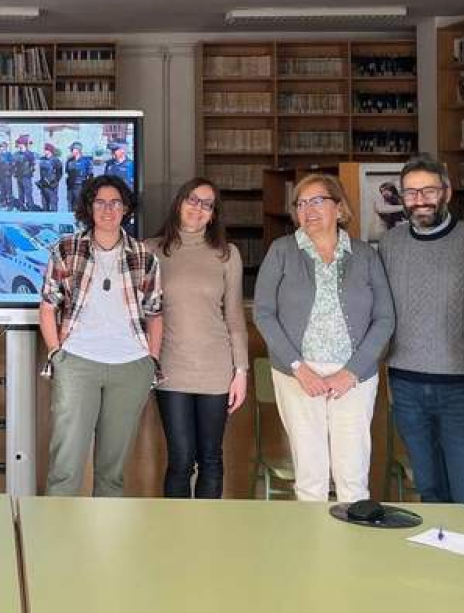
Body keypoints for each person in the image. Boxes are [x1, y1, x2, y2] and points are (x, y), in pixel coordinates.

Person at [253, 173, 394, 502]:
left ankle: (352, 551)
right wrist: (299, 368)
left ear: (339, 207)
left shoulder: (365, 255)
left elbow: (385, 318)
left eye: (317, 201)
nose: (308, 210)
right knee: (310, 478)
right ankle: (313, 551)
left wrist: (353, 371)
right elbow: (263, 313)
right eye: (301, 204)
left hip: (353, 378)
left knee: (353, 476)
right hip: (298, 376)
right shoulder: (282, 251)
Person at [39, 175, 162, 496]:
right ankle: (54, 539)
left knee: (112, 470)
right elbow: (48, 306)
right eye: (100, 202)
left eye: (115, 202)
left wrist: (152, 359)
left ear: (126, 208)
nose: (108, 209)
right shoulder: (66, 249)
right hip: (77, 363)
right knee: (65, 467)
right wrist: (56, 353)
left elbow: (155, 312)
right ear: (89, 208)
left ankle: (104, 542)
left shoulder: (144, 256)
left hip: (131, 367)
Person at [377, 155, 464, 514]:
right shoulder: (390, 244)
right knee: (429, 489)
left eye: (428, 190)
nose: (419, 199)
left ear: (447, 192)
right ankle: (440, 565)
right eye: (410, 192)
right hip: (405, 384)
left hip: (462, 384)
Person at [146, 178, 248, 498]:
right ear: (179, 203)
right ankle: (177, 539)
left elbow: (234, 317)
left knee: (211, 459)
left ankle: (208, 538)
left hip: (216, 371)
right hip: (170, 369)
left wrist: (241, 372)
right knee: (180, 460)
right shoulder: (151, 250)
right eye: (192, 200)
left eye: (207, 204)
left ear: (214, 214)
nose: (198, 208)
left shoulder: (227, 255)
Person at [64, 141, 92, 211]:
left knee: (80, 205)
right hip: (70, 187)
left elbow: (90, 175)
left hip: (80, 187)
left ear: (78, 150)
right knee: (70, 204)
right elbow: (67, 173)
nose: (71, 151)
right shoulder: (69, 161)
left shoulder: (86, 161)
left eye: (72, 149)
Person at [36, 143, 63, 212]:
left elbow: (59, 173)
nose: (44, 151)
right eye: (44, 149)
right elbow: (41, 172)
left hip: (51, 185)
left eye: (46, 149)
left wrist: (55, 181)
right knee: (44, 203)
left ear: (50, 151)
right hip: (43, 184)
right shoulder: (42, 159)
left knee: (53, 203)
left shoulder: (56, 160)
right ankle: (45, 218)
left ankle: (54, 219)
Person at [14, 134, 36, 211]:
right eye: (18, 144)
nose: (19, 145)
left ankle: (30, 206)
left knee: (28, 192)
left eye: (20, 144)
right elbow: (14, 164)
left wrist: (29, 172)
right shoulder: (16, 154)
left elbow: (33, 165)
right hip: (19, 176)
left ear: (24, 144)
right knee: (20, 193)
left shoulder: (29, 154)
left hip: (26, 177)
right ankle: (21, 206)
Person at [0, 141, 14, 209]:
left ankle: (10, 205)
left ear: (5, 147)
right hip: (1, 174)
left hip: (7, 175)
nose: (1, 148)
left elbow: (12, 164)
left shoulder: (9, 154)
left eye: (2, 146)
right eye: (0, 146)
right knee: (2, 190)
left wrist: (9, 171)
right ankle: (4, 203)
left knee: (8, 190)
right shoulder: (0, 155)